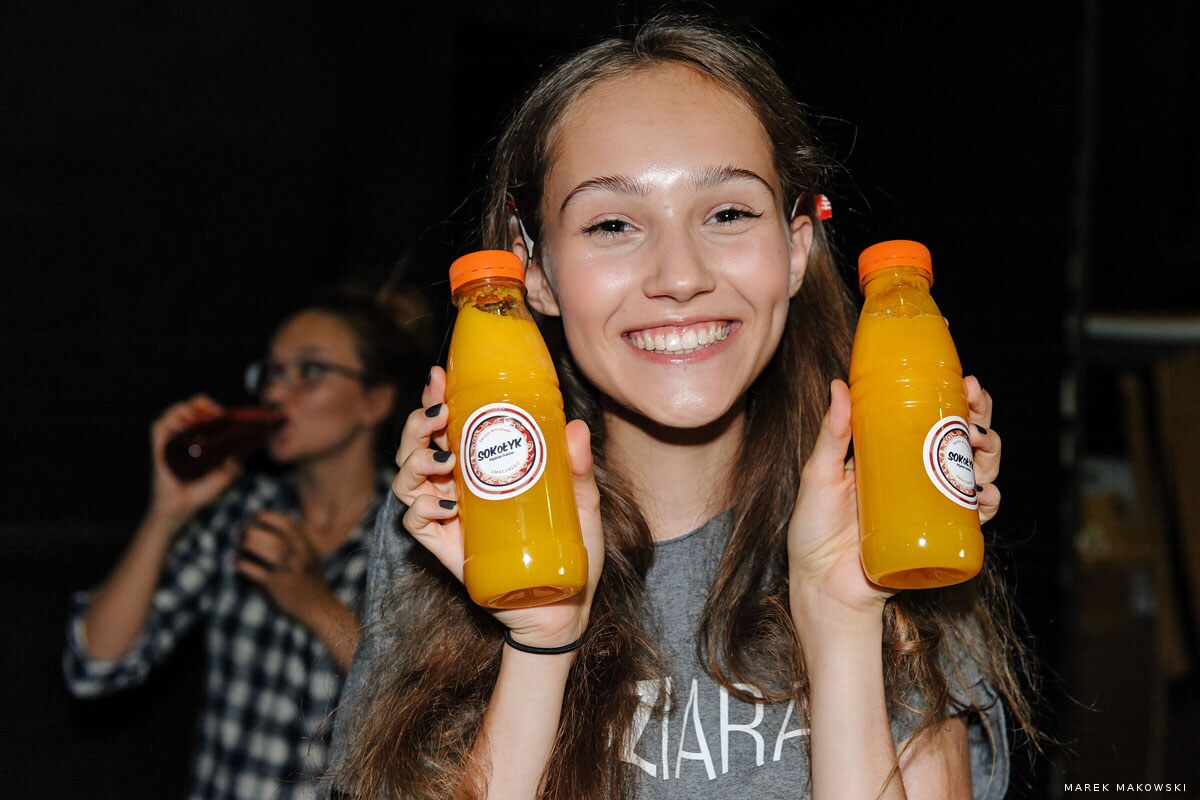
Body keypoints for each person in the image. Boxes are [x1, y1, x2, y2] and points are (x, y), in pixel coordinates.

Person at [329, 15, 1040, 800]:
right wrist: (540, 636)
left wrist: (841, 624)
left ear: (797, 247)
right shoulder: (459, 534)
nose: (680, 275)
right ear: (533, 272)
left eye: (728, 213)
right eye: (611, 224)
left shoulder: (898, 515)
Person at [63, 281, 434, 800]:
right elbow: (94, 667)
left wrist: (314, 603)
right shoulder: (240, 513)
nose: (277, 394)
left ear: (374, 402)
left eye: (309, 371)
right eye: (272, 374)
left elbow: (425, 721)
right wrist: (166, 516)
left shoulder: (417, 532)